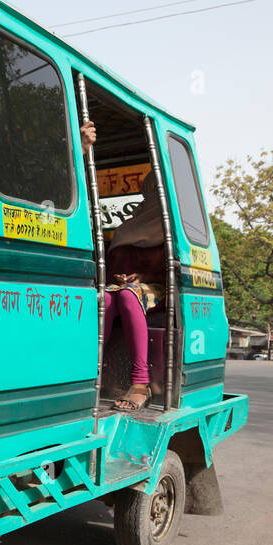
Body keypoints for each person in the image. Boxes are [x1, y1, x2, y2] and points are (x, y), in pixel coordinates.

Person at [81, 120, 164, 412]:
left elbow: (171, 270)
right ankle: (92, 375)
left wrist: (140, 276)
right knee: (104, 298)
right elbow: (115, 261)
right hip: (122, 284)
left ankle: (139, 382)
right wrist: (121, 274)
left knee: (129, 295)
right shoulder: (132, 223)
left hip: (155, 288)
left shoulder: (169, 227)